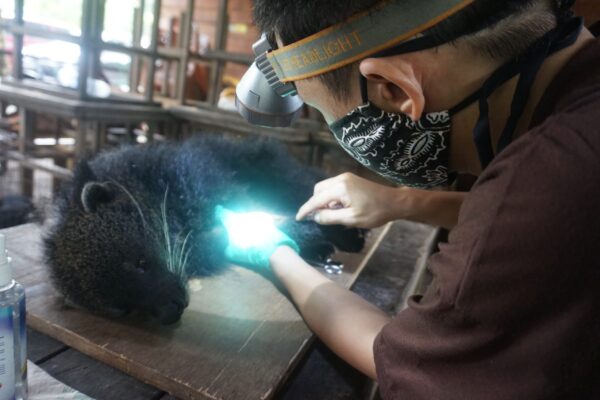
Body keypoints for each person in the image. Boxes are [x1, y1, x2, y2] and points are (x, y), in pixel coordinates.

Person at [217, 0, 600, 398]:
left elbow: (400, 360)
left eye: (318, 108)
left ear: (394, 89)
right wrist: (400, 202)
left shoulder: (541, 182)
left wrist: (276, 253)